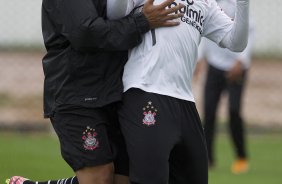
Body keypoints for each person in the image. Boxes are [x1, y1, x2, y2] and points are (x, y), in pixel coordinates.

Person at [8, 0, 250, 183]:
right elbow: (85, 31)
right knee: (100, 177)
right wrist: (142, 21)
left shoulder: (204, 4)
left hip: (113, 92)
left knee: (123, 179)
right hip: (77, 92)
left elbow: (235, 40)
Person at [197, 0, 254, 174]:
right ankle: (208, 158)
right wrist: (199, 59)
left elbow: (249, 32)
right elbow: (203, 31)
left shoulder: (238, 4)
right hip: (214, 66)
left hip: (236, 68)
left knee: (234, 111)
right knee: (209, 112)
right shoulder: (210, 3)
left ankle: (241, 157)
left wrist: (242, 61)